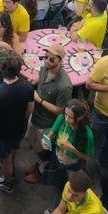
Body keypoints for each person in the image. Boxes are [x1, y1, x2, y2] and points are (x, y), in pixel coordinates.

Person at [0, 51, 33, 194]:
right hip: (18, 128)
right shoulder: (28, 87)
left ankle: (7, 183)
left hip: (2, 132)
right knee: (13, 149)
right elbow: (29, 109)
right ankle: (10, 165)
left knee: (5, 159)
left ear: (2, 69)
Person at [25, 44, 72, 183]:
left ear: (60, 61)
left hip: (48, 125)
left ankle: (41, 172)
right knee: (31, 140)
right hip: (36, 117)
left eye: (51, 60)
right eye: (45, 57)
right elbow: (42, 78)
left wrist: (39, 100)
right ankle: (37, 164)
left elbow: (60, 111)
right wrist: (37, 81)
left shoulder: (64, 86)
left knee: (46, 150)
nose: (46, 61)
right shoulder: (45, 68)